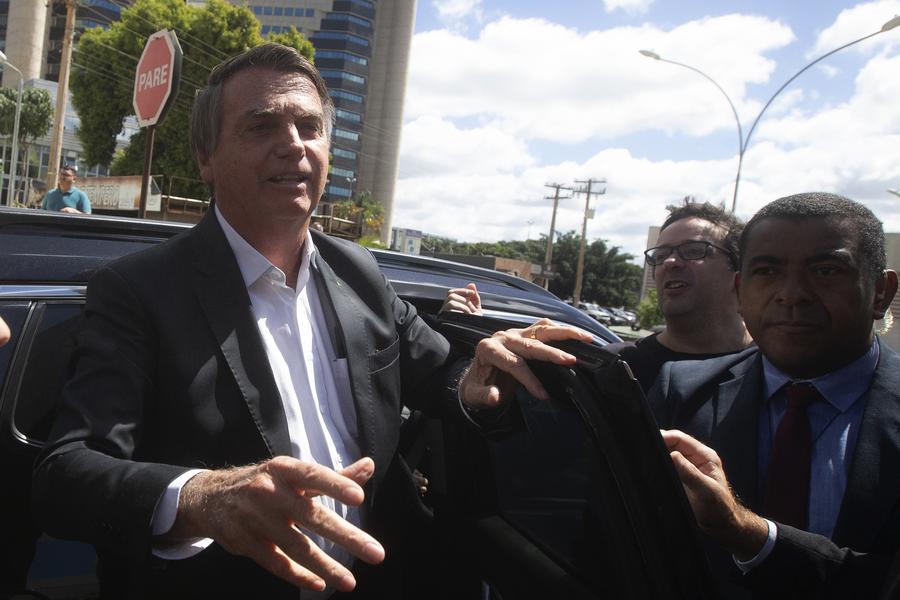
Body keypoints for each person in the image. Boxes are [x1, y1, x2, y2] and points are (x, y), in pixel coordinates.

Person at [31, 44, 590, 598]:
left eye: (308, 126)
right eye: (261, 126)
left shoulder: (360, 270)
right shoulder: (137, 290)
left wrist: (476, 379)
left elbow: (437, 372)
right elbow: (67, 475)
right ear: (206, 157)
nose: (292, 145)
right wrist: (203, 497)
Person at [650, 192, 900, 598]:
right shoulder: (680, 393)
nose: (791, 293)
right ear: (739, 291)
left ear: (881, 292)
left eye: (825, 271)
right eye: (766, 271)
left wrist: (750, 535)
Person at [607, 200, 753, 392]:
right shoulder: (614, 368)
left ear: (738, 272)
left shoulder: (779, 371)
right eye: (661, 255)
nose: (670, 262)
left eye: (693, 251)